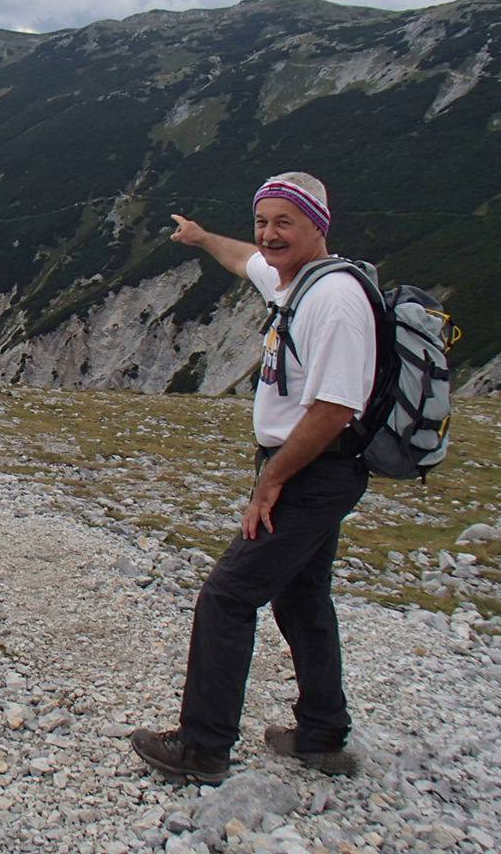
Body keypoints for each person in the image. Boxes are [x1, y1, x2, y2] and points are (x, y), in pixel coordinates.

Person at [131, 171, 375, 783]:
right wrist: (201, 237)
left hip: (312, 470)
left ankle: (203, 746)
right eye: (263, 220)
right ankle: (321, 735)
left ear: (318, 225)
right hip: (309, 469)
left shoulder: (334, 300)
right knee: (302, 595)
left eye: (283, 222)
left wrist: (272, 481)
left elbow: (335, 409)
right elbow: (244, 260)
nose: (268, 234)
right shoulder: (293, 279)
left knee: (228, 596)